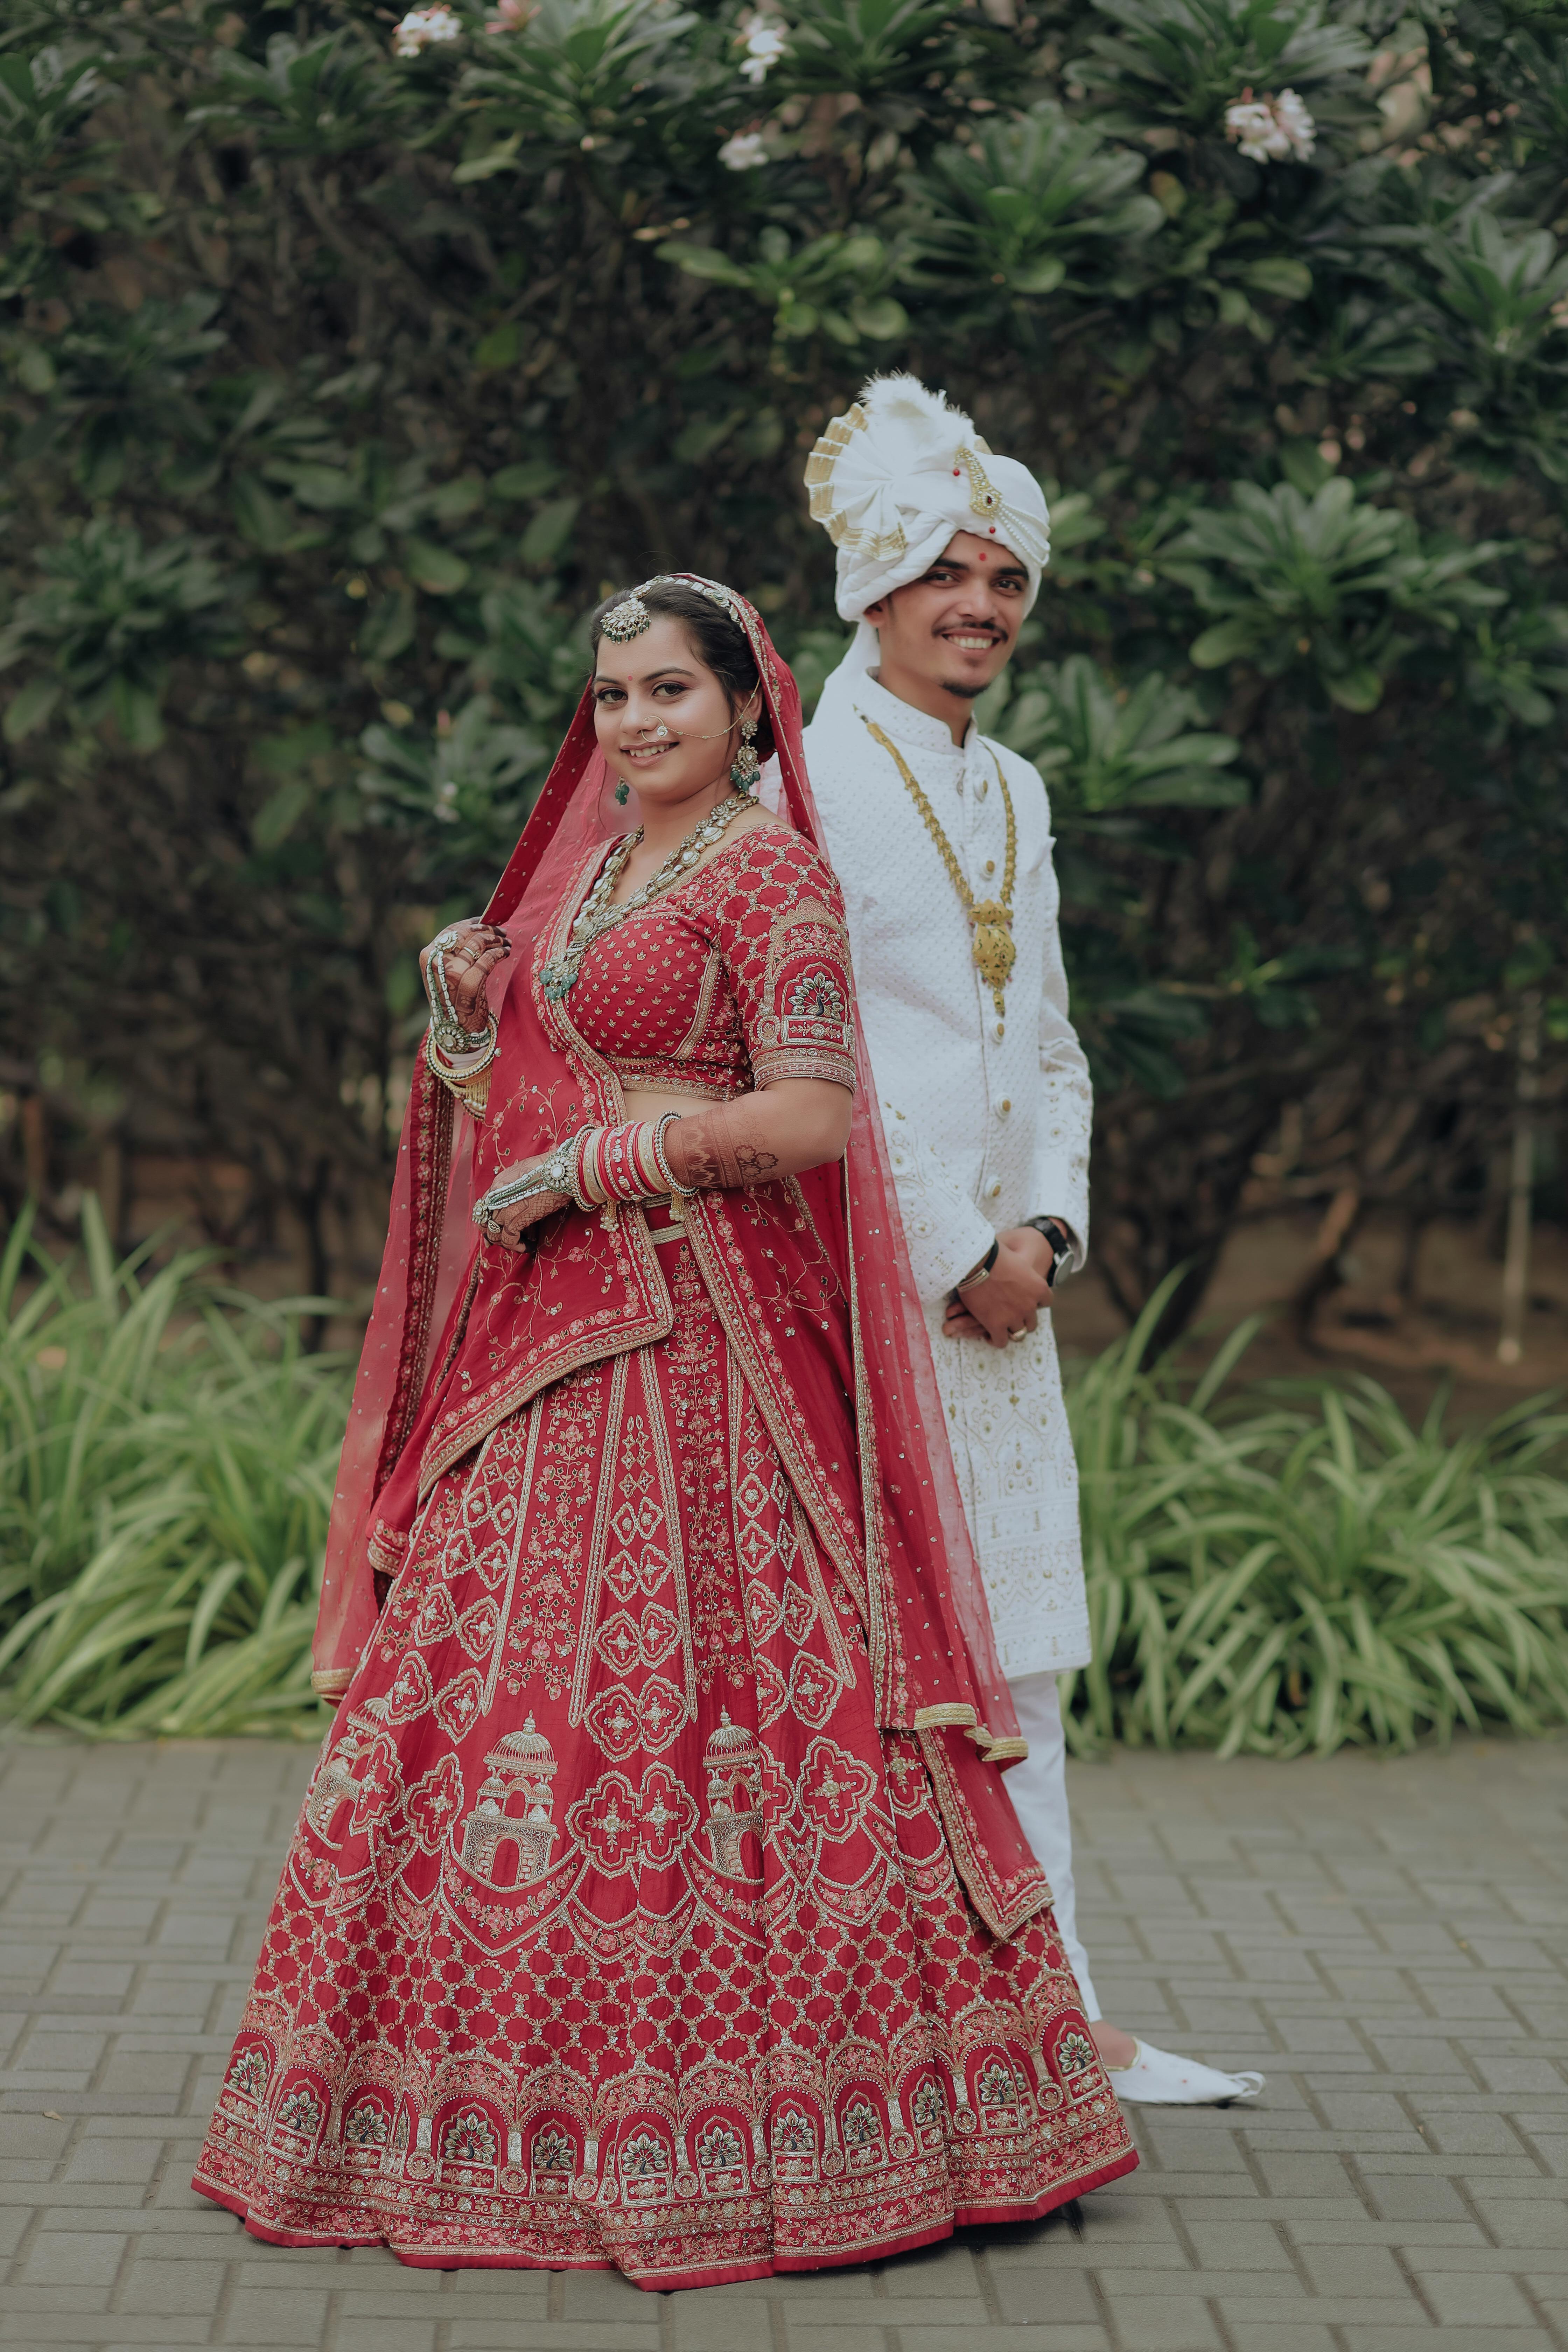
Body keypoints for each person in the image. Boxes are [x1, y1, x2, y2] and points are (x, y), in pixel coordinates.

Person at [193, 574, 1137, 2288]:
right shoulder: (603, 869)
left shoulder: (772, 872)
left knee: (727, 1700)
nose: (632, 722)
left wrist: (608, 1162)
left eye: (667, 693)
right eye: (613, 695)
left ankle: (824, 2122)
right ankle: (452, 2112)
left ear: (746, 707)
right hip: (562, 1329)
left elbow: (814, 1114)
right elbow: (543, 1089)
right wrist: (467, 1026)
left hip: (714, 1346)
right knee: (490, 1696)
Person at [801, 377, 1265, 2107]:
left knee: (1019, 1660)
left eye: (1005, 579)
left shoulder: (1014, 784)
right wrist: (957, 1247)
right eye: (946, 573)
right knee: (864, 1668)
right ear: (873, 590)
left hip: (1006, 1291)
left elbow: (1050, 1044)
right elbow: (823, 1051)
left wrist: (1046, 1232)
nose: (980, 605)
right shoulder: (806, 784)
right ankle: (873, 2035)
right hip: (859, 1289)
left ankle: (1057, 2024)